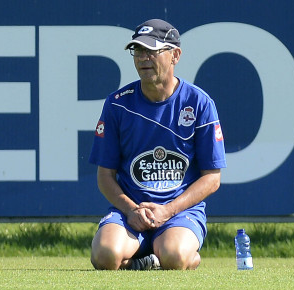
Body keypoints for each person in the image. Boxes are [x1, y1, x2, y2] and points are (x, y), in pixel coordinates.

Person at [89, 19, 227, 270]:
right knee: (104, 256)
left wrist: (168, 211)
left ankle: (178, 258)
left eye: (152, 51)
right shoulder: (117, 104)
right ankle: (146, 262)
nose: (143, 58)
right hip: (130, 212)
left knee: (174, 257)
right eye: (138, 51)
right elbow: (104, 176)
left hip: (180, 213)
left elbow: (212, 178)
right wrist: (131, 210)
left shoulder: (200, 103)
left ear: (175, 55)